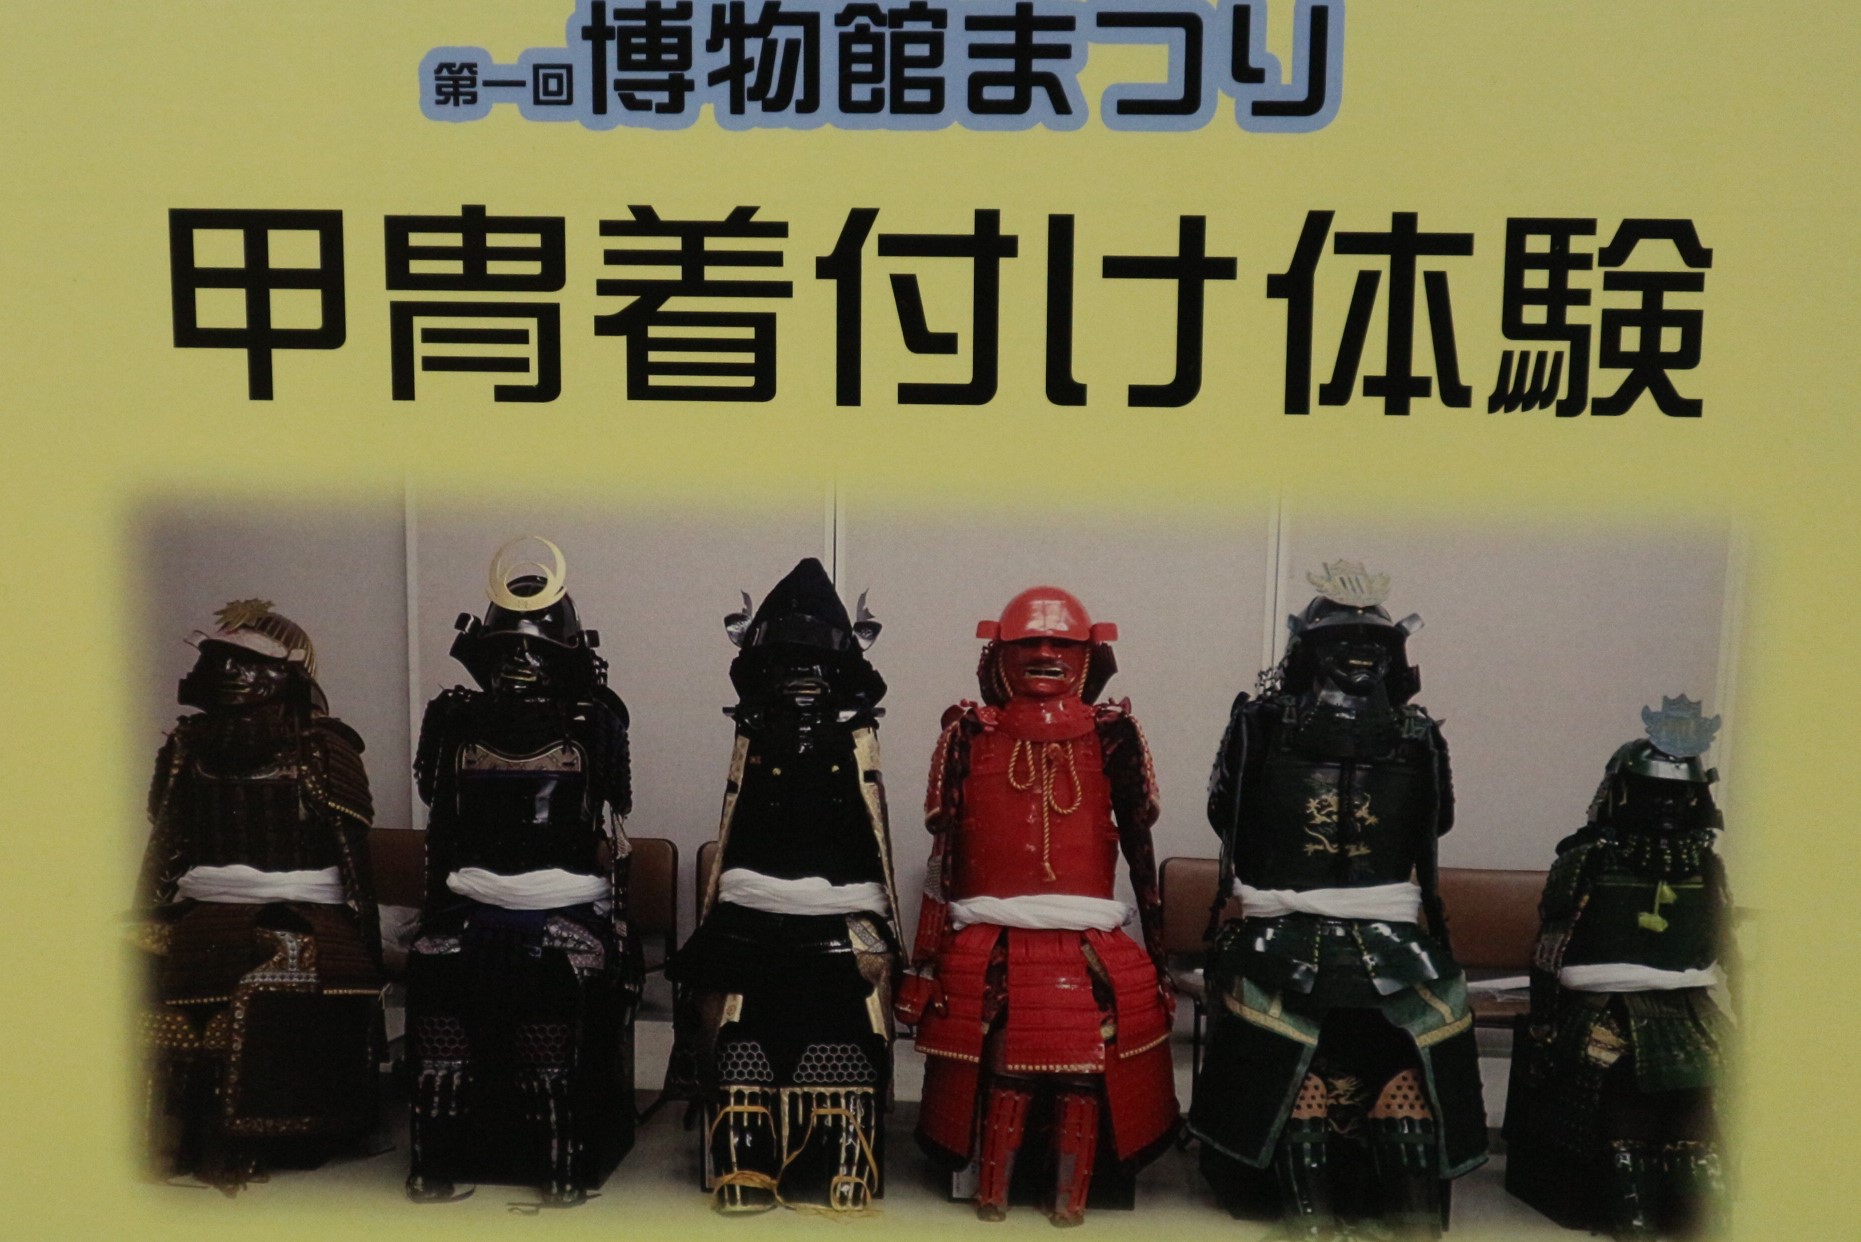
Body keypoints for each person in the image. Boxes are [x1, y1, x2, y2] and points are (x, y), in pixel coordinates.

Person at [1191, 561, 1485, 1239]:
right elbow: (1436, 823)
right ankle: (1395, 1214)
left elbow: (1225, 815)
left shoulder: (1262, 721)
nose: (1358, 654)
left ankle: (1342, 1213)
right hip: (1373, 940)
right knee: (1404, 1040)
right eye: (1347, 642)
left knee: (1392, 1045)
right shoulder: (1415, 732)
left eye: (1370, 643)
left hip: (1302, 936)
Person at [899, 586, 1178, 1227]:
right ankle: (990, 1190)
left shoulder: (1115, 734)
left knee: (1085, 1070)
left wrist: (1160, 960)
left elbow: (1140, 851)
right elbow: (943, 860)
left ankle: (1070, 1196)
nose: (1046, 652)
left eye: (1061, 643)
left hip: (1087, 936)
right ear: (999, 652)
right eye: (1029, 641)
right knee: (999, 1066)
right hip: (990, 935)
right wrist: (924, 961)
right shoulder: (968, 731)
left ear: (1090, 654)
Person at [405, 537, 638, 1205]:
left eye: (535, 651)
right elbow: (441, 825)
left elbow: (613, 826)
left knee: (557, 982)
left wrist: (616, 925)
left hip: (564, 900)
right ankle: (437, 1159)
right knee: (436, 973)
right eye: (507, 650)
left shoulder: (595, 722)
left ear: (566, 656)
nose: (520, 663)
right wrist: (435, 909)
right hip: (470, 898)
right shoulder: (453, 719)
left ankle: (562, 1162)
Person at [671, 557, 900, 1212]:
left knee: (856, 991)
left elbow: (874, 838)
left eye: (817, 661)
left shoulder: (859, 743)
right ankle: (742, 1143)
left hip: (844, 911)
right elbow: (735, 829)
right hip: (751, 906)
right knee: (722, 1004)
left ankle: (843, 1149)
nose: (802, 674)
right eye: (788, 660)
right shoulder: (750, 738)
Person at [135, 599, 381, 1189]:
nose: (229, 672)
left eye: (247, 661)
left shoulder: (325, 749)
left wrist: (367, 954)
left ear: (288, 674)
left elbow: (355, 868)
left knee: (281, 959)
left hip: (304, 908)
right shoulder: (185, 747)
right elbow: (165, 847)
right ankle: (162, 1128)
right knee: (128, 952)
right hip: (202, 901)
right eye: (221, 657)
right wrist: (146, 910)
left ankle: (264, 1130)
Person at [1504, 696, 1733, 1239]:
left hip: (1686, 1004)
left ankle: (1694, 1210)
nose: (1668, 804)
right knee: (1620, 1081)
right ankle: (1629, 1206)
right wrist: (1545, 1023)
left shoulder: (1706, 865)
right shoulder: (1586, 860)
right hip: (1599, 1005)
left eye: (1680, 794)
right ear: (1622, 793)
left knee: (1706, 1086)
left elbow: (1720, 943)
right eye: (1655, 791)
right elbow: (1551, 949)